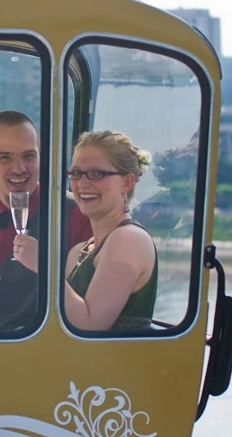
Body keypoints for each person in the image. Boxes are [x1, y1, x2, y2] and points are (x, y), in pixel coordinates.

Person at [0, 111, 92, 331]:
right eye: (5, 157)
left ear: (41, 158)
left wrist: (45, 266)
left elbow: (91, 310)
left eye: (28, 156)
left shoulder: (76, 214)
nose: (19, 168)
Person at [64, 130, 158, 331]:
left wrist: (44, 270)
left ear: (127, 182)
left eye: (97, 173)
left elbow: (92, 325)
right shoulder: (79, 251)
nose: (82, 184)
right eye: (76, 173)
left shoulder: (129, 240)